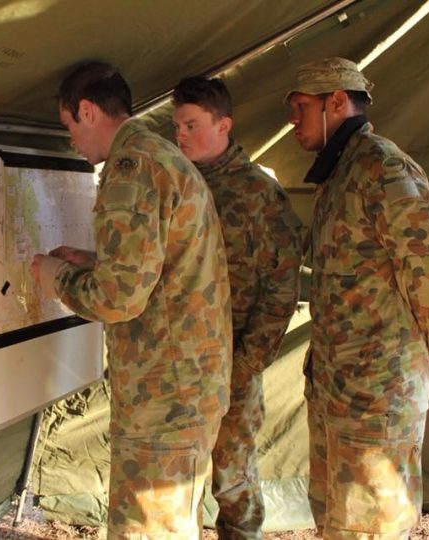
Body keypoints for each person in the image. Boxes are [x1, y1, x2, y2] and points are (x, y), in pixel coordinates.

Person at [31, 61, 232, 539]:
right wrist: (90, 259)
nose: (72, 143)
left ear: (86, 110)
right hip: (183, 388)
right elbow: (158, 263)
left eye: (69, 128)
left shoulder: (131, 166)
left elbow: (119, 297)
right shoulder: (156, 155)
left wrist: (54, 277)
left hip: (164, 396)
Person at [285, 57, 429, 539]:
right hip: (337, 389)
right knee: (336, 522)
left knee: (373, 526)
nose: (292, 121)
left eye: (300, 108)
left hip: (377, 395)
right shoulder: (337, 176)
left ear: (337, 102)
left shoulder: (382, 168)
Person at [172, 77, 302, 539]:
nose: (180, 135)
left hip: (232, 369)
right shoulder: (178, 189)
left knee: (233, 480)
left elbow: (281, 291)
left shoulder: (260, 196)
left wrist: (243, 366)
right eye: (177, 126)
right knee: (170, 484)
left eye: (191, 124)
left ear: (224, 124)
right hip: (178, 364)